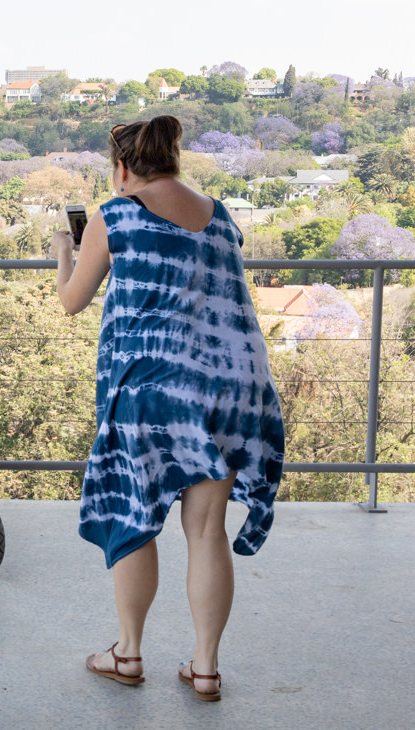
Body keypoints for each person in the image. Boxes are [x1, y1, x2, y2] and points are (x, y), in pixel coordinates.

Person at [55, 116, 285, 701]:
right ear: (174, 160)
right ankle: (205, 668)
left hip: (152, 387)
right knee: (207, 529)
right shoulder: (222, 216)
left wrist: (66, 251)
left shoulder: (115, 213)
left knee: (134, 516)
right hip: (233, 388)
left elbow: (71, 302)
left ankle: (128, 655)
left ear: (123, 168)